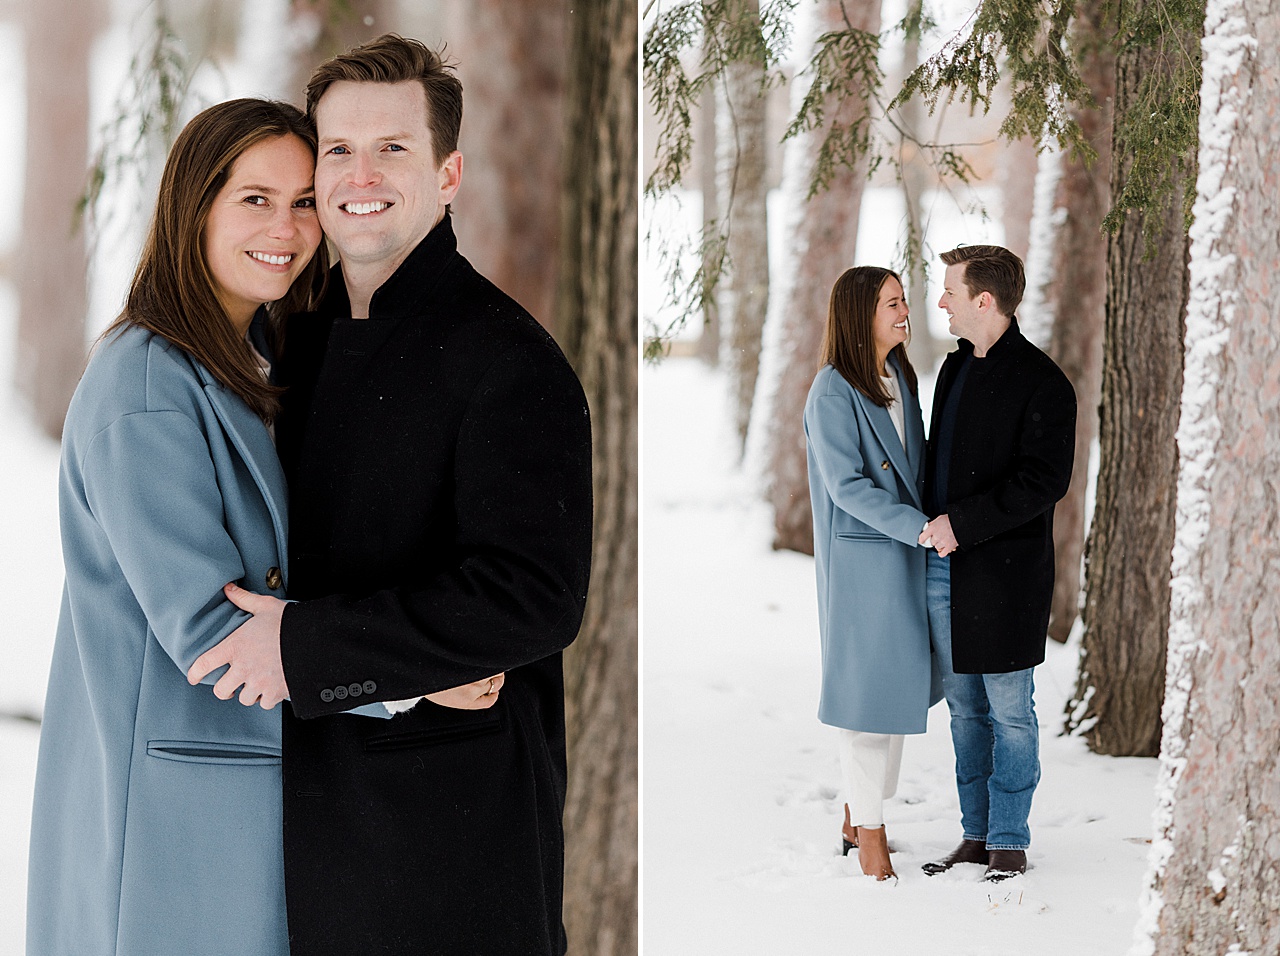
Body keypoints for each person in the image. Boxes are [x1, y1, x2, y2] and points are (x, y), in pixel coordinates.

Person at [187, 36, 593, 955]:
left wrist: (312, 645)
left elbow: (535, 596)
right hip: (298, 834)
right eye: (338, 150)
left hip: (451, 846)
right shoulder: (292, 342)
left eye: (394, 149)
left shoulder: (509, 359)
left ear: (448, 174)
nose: (361, 174)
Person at [24, 98, 323, 956]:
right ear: (196, 208)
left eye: (304, 200)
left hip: (225, 810)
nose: (287, 225)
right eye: (255, 199)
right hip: (168, 826)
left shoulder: (251, 361)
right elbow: (215, 636)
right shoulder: (148, 390)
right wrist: (411, 676)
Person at [919, 244, 1075, 882]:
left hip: (1007, 577)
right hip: (942, 573)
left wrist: (965, 524)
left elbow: (1044, 481)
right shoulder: (953, 369)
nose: (941, 303)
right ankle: (976, 833)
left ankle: (1010, 839)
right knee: (964, 712)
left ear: (985, 301)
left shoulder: (1044, 382)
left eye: (949, 292)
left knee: (1011, 711)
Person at [804, 266, 937, 881]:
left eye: (904, 299)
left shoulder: (899, 377)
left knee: (898, 696)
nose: (904, 310)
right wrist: (916, 526)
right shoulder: (833, 390)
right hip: (863, 564)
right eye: (892, 302)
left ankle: (858, 813)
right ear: (860, 313)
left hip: (907, 557)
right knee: (865, 704)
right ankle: (873, 839)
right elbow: (846, 485)